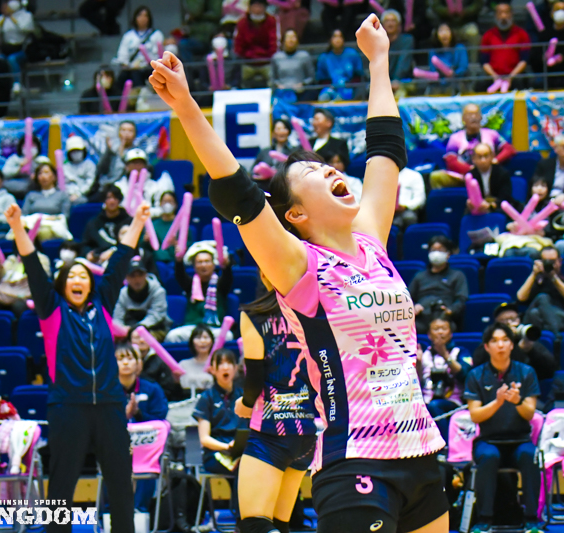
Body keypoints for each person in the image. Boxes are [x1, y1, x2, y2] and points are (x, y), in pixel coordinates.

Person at [148, 14, 449, 531]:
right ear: (296, 213)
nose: (331, 169)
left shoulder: (371, 240)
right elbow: (240, 193)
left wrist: (379, 61)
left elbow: (385, 152)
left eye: (330, 166)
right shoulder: (298, 266)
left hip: (421, 454)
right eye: (312, 171)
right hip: (355, 459)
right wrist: (188, 109)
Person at [3, 200, 152, 533]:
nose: (78, 278)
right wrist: (16, 227)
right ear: (62, 284)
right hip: (68, 407)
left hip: (110, 406)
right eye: (72, 275)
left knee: (120, 483)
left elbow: (119, 261)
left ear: (90, 285)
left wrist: (139, 222)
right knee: (61, 486)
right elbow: (32, 266)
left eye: (83, 275)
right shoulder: (52, 309)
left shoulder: (103, 304)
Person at [232, 272, 318, 533]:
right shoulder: (314, 309)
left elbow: (255, 375)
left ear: (263, 275)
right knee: (279, 523)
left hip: (271, 429)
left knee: (254, 524)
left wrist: (246, 403)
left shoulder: (254, 315)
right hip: (307, 431)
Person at [465, 323, 542, 533]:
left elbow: (529, 413)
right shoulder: (475, 375)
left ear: (512, 345)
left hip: (520, 440)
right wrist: (498, 402)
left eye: (505, 340)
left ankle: (532, 519)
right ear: (486, 346)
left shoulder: (526, 372)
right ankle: (484, 519)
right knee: (488, 456)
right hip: (489, 440)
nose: (500, 345)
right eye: (495, 341)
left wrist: (517, 401)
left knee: (530, 455)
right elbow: (475, 415)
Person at [114, 343, 168, 512]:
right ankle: (111, 511)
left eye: (130, 358)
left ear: (139, 363)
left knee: (147, 458)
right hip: (115, 444)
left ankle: (140, 509)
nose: (125, 363)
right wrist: (124, 416)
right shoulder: (105, 390)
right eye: (120, 359)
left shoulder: (152, 389)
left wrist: (138, 414)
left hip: (145, 445)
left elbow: (160, 421)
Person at [192, 348, 245, 515]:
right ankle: (241, 519)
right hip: (215, 454)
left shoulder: (244, 396)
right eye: (220, 363)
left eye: (229, 363)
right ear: (212, 370)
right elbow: (204, 439)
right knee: (243, 469)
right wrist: (227, 447)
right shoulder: (206, 398)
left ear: (235, 368)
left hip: (241, 453)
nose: (225, 367)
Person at [430, 104, 516, 189]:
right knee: (436, 177)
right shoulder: (455, 138)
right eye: (469, 114)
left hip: (489, 175)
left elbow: (509, 149)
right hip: (464, 176)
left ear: (481, 117)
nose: (473, 117)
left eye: (476, 114)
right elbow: (451, 161)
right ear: (463, 118)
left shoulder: (492, 134)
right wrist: (472, 171)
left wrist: (495, 161)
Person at [165, 242, 233, 343]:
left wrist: (226, 265)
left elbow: (228, 277)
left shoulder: (220, 285)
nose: (203, 265)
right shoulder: (190, 284)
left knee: (228, 335)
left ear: (213, 264)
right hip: (192, 328)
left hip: (213, 328)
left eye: (207, 261)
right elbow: (180, 275)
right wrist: (179, 260)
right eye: (199, 262)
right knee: (172, 336)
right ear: (194, 266)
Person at [420, 315, 473, 441]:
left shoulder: (461, 352)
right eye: (436, 329)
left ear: (451, 333)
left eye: (444, 328)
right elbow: (415, 382)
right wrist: (417, 363)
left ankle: (444, 444)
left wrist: (445, 355)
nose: (440, 332)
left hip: (453, 402)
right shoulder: (423, 354)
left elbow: (466, 376)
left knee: (434, 406)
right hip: (426, 400)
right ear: (429, 335)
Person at [473, 302, 556, 381]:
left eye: (513, 319)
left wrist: (531, 350)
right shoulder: (491, 341)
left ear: (519, 320)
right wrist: (517, 349)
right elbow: (478, 362)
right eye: (504, 320)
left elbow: (550, 369)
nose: (509, 323)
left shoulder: (527, 338)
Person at [410, 235, 469, 334]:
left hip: (444, 316)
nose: (436, 253)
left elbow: (461, 299)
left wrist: (450, 310)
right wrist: (414, 306)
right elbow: (407, 298)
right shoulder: (419, 276)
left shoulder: (457, 275)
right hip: (422, 318)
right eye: (433, 250)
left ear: (448, 254)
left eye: (440, 250)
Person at [517, 246, 564, 333]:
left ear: (560, 261)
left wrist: (553, 277)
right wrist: (533, 274)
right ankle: (555, 335)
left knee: (536, 309)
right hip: (536, 320)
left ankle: (550, 334)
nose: (549, 264)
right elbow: (520, 297)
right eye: (545, 261)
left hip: (560, 318)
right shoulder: (534, 281)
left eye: (552, 261)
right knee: (539, 303)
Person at [113, 257, 170, 340]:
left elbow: (156, 316)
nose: (137, 279)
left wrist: (135, 329)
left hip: (155, 329)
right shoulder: (122, 293)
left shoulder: (158, 291)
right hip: (129, 331)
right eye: (132, 276)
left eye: (140, 275)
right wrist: (122, 329)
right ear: (126, 278)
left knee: (141, 339)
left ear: (146, 275)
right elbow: (117, 318)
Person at [532, 0, 564, 88]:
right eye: (557, 9)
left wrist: (563, 58)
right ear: (551, 13)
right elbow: (535, 58)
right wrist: (544, 58)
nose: (560, 12)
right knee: (538, 82)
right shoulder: (544, 33)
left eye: (563, 10)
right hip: (548, 74)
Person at [480, 3, 530, 91]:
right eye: (500, 13)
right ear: (495, 16)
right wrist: (495, 77)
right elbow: (484, 62)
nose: (503, 16)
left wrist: (510, 77)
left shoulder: (522, 34)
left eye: (506, 12)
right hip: (493, 77)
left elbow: (524, 60)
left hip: (515, 76)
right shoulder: (488, 35)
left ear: (511, 14)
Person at [112, 148, 175, 217]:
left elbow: (161, 209)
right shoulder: (118, 186)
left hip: (148, 219)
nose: (138, 166)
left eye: (141, 163)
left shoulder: (154, 186)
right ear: (126, 166)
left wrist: (144, 213)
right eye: (134, 163)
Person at [129, 326, 184, 401]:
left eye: (144, 337)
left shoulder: (161, 361)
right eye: (137, 337)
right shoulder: (123, 362)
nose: (141, 340)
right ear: (129, 341)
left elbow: (168, 390)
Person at [114, 6, 163, 87]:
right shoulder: (128, 36)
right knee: (126, 76)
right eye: (140, 15)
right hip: (132, 67)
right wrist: (127, 65)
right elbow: (122, 54)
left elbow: (159, 54)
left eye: (145, 16)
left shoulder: (157, 34)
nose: (142, 18)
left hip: (150, 67)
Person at [234, 0, 277, 89]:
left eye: (260, 6)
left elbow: (274, 43)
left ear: (265, 8)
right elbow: (238, 46)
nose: (257, 10)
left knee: (273, 79)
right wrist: (246, 58)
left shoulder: (272, 21)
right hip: (247, 62)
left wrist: (267, 58)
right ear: (249, 9)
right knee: (240, 79)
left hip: (266, 62)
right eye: (255, 6)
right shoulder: (242, 23)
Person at [82, 184, 133, 259]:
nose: (112, 201)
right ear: (104, 200)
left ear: (119, 200)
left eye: (115, 198)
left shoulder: (129, 221)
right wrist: (88, 253)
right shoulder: (94, 223)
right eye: (108, 198)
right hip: (98, 259)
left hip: (123, 259)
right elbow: (85, 244)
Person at [315, 29, 365, 102]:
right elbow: (322, 79)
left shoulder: (352, 54)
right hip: (331, 89)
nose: (337, 39)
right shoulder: (324, 58)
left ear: (343, 39)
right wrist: (332, 86)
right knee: (324, 97)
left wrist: (349, 85)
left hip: (349, 87)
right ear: (330, 40)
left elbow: (358, 75)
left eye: (340, 36)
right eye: (335, 36)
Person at [0, 0, 33, 80]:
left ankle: (17, 82)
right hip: (7, 49)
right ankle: (0, 82)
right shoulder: (2, 18)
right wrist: (4, 17)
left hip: (21, 49)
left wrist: (12, 17)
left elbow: (24, 28)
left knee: (12, 59)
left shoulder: (26, 15)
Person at [271, 29, 314, 102]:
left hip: (301, 92)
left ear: (297, 40)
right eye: (288, 37)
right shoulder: (276, 57)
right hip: (282, 92)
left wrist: (303, 84)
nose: (291, 40)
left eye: (293, 37)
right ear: (283, 41)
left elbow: (311, 77)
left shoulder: (304, 56)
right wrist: (279, 85)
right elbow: (273, 78)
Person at [426, 23, 468, 95]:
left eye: (447, 30)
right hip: (439, 83)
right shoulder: (433, 52)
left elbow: (463, 67)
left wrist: (453, 74)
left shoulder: (460, 48)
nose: (444, 34)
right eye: (441, 31)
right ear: (436, 35)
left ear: (452, 33)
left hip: (457, 80)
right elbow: (433, 70)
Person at [252, 120, 295, 188]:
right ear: (273, 132)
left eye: (284, 128)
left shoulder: (294, 151)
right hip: (265, 187)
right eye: (278, 129)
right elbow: (253, 171)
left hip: (285, 188)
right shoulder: (264, 151)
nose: (281, 131)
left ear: (289, 131)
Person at [96, 120, 138, 190]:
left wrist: (122, 156)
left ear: (135, 135)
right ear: (118, 133)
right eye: (123, 130)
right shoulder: (113, 150)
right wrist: (108, 152)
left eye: (130, 131)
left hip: (129, 187)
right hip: (108, 186)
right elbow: (101, 170)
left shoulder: (137, 152)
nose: (126, 134)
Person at [382, 10, 413, 97]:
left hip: (404, 81)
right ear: (382, 25)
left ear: (399, 25)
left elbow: (403, 62)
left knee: (399, 95)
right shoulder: (378, 43)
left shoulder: (407, 40)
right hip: (383, 83)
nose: (390, 24)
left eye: (393, 21)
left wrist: (397, 79)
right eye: (387, 21)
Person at [1, 134, 43, 198]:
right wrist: (19, 168)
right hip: (13, 190)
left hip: (35, 192)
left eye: (33, 145)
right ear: (21, 147)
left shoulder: (42, 160)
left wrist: (37, 176)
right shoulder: (14, 159)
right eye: (26, 145)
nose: (30, 148)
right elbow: (5, 173)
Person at [179, 324, 217, 391]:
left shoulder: (217, 364)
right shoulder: (183, 364)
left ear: (212, 341)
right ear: (192, 342)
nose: (203, 341)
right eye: (198, 338)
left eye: (206, 337)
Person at [62, 136, 97, 205]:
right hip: (67, 196)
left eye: (78, 150)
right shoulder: (65, 167)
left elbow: (89, 182)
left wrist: (78, 194)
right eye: (73, 151)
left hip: (85, 195)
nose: (76, 153)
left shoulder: (89, 165)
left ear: (83, 151)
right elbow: (64, 184)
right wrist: (70, 194)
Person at [151, 191, 178, 262]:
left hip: (176, 261)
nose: (167, 204)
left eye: (170, 201)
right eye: (165, 201)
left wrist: (177, 244)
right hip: (156, 262)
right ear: (160, 204)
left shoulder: (182, 225)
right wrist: (145, 240)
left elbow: (188, 244)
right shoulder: (153, 225)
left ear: (176, 204)